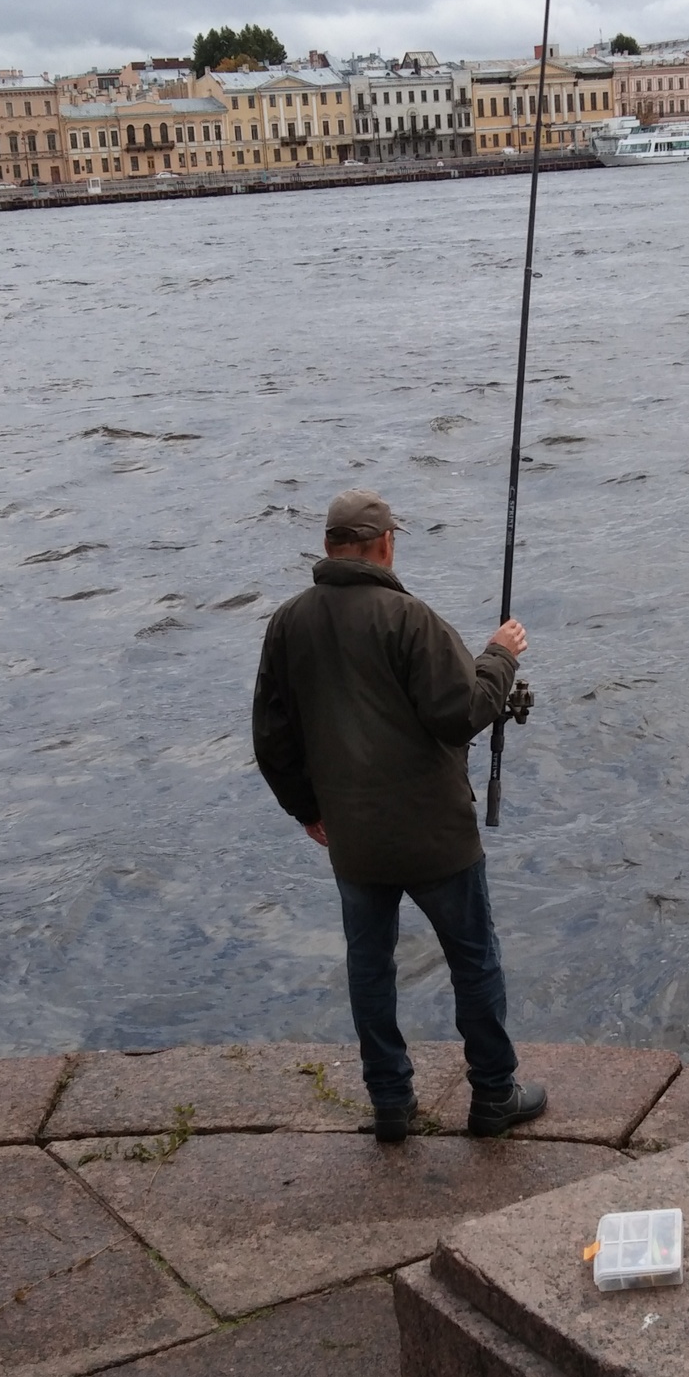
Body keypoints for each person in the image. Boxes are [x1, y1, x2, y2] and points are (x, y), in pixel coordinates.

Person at [252, 487, 547, 1143]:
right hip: (435, 833)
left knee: (369, 963)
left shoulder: (288, 624)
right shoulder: (410, 619)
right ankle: (494, 1095)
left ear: (328, 548)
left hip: (352, 836)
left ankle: (390, 1101)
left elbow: (272, 736)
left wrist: (307, 809)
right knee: (474, 959)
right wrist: (498, 655)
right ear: (386, 545)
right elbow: (460, 712)